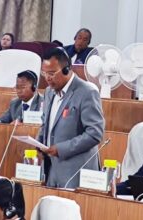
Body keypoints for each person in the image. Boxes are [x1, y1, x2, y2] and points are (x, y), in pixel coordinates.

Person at [37, 47, 105, 188]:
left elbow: (95, 134)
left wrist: (61, 149)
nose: (47, 78)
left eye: (51, 73)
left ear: (67, 69)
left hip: (76, 172)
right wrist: (39, 142)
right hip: (51, 170)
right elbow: (46, 123)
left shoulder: (87, 92)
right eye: (44, 73)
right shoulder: (49, 92)